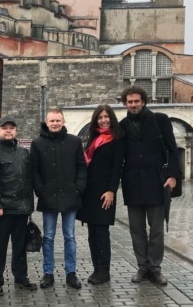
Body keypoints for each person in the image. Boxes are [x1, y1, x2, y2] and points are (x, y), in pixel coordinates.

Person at [119, 86, 180, 286]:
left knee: (156, 230)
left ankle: (155, 268)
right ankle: (142, 267)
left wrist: (173, 175)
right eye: (130, 102)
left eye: (136, 101)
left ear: (144, 102)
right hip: (133, 184)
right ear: (125, 104)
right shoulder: (122, 126)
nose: (133, 105)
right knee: (136, 230)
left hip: (157, 182)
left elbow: (172, 149)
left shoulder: (160, 120)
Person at [30, 107, 87, 289]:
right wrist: (40, 190)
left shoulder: (74, 141)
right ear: (47, 122)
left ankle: (71, 272)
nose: (55, 123)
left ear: (63, 122)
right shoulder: (37, 143)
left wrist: (78, 188)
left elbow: (81, 167)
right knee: (48, 237)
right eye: (52, 121)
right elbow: (34, 170)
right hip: (48, 196)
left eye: (58, 120)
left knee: (70, 236)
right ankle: (48, 273)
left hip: (70, 195)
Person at [0, 116, 37, 297]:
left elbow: (28, 179)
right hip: (3, 210)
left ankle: (21, 277)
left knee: (20, 246)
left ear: (16, 130)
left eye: (11, 128)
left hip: (22, 209)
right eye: (4, 128)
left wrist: (29, 206)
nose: (8, 131)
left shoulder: (23, 152)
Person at [77, 105, 124, 285]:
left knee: (102, 232)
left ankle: (104, 272)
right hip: (90, 191)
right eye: (100, 117)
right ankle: (96, 269)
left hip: (105, 192)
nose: (103, 120)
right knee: (92, 233)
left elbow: (117, 167)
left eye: (106, 117)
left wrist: (111, 190)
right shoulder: (94, 137)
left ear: (111, 118)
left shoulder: (117, 139)